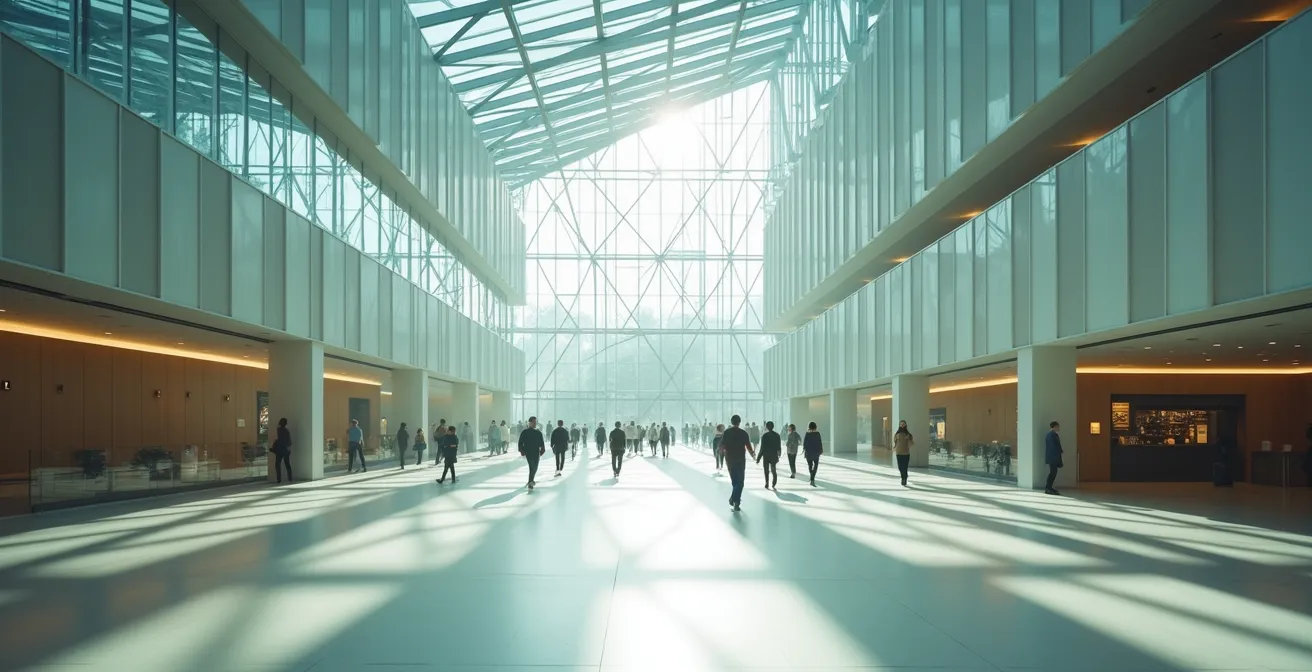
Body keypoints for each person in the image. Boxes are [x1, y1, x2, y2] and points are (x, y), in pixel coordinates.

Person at [721, 415, 755, 512]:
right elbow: (748, 446)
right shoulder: (743, 433)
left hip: (730, 459)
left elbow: (722, 446)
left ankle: (734, 500)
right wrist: (753, 454)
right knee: (740, 482)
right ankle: (735, 501)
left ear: (731, 422)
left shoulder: (727, 432)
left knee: (735, 481)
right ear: (739, 422)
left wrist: (720, 457)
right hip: (740, 460)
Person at [518, 416, 545, 490]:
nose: (535, 424)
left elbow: (541, 442)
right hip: (528, 452)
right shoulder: (525, 432)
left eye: (535, 422)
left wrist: (542, 449)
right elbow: (520, 442)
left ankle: (530, 480)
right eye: (533, 422)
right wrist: (522, 450)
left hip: (536, 452)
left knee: (535, 467)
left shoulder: (538, 432)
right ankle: (530, 482)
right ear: (529, 423)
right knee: (532, 466)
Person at [757, 421, 780, 489]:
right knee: (773, 469)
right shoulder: (777, 435)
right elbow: (778, 447)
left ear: (766, 427)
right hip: (773, 455)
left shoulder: (764, 436)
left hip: (766, 455)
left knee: (766, 470)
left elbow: (762, 448)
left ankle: (767, 482)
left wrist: (758, 458)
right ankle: (774, 483)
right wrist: (779, 453)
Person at [1044, 421, 1063, 495]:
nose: (1059, 428)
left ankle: (1049, 487)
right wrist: (1059, 452)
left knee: (1053, 473)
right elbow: (1054, 446)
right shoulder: (1052, 435)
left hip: (1052, 457)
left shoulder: (1052, 435)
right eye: (1057, 426)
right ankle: (1048, 487)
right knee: (1053, 473)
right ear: (1055, 427)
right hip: (1053, 457)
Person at [272, 418, 293, 483]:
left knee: (277, 464)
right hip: (285, 449)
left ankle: (279, 479)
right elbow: (289, 442)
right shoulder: (286, 431)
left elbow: (278, 439)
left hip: (279, 449)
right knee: (287, 464)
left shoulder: (279, 430)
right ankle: (290, 478)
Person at [893, 420, 914, 486]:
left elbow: (912, 442)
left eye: (903, 424)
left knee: (905, 467)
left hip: (906, 453)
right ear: (899, 425)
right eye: (901, 424)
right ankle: (904, 476)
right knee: (900, 467)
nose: (902, 425)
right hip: (898, 453)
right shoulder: (897, 434)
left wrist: (908, 438)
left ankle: (904, 479)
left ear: (905, 425)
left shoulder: (908, 434)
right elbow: (895, 442)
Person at [803, 422, 823, 486]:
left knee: (810, 465)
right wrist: (821, 450)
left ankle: (812, 477)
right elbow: (820, 442)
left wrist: (804, 449)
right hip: (816, 452)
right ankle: (812, 478)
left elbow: (804, 444)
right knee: (816, 465)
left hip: (808, 453)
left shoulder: (807, 434)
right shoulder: (817, 434)